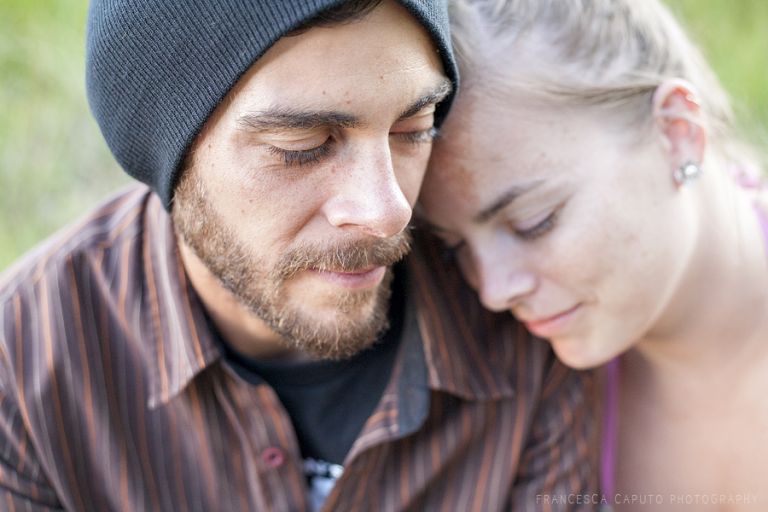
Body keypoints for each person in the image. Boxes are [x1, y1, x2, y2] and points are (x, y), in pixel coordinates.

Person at [0, 0, 597, 510]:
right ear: (169, 158)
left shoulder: (523, 321)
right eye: (303, 146)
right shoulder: (26, 370)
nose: (388, 211)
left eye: (413, 130)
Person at [420, 0, 768, 509]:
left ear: (676, 133)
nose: (494, 291)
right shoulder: (531, 387)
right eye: (457, 249)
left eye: (534, 222)